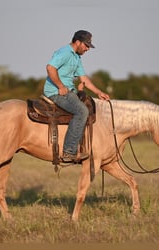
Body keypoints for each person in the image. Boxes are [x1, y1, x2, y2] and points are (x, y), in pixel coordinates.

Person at [43, 30, 110, 163]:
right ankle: (68, 152)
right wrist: (60, 86)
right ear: (77, 42)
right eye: (86, 45)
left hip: (69, 92)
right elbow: (50, 68)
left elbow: (83, 78)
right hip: (55, 92)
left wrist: (98, 92)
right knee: (81, 111)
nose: (87, 49)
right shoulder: (65, 53)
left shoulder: (76, 57)